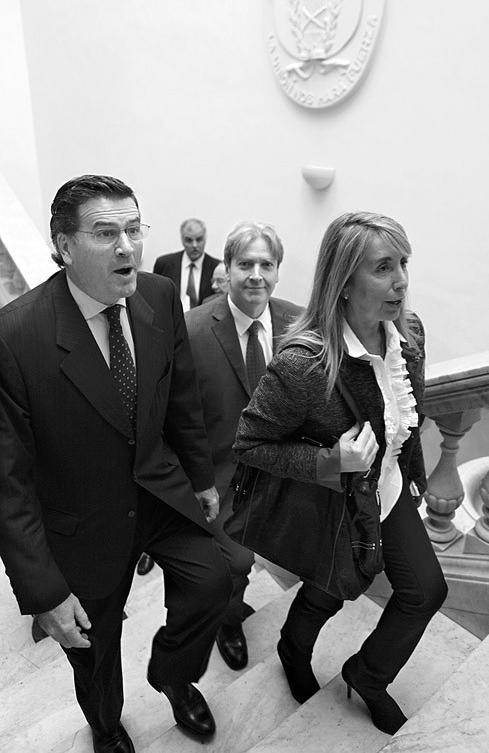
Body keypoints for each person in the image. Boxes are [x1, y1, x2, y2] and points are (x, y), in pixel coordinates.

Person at [0, 175, 232, 753]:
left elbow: (180, 398)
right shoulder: (16, 337)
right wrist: (43, 591)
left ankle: (173, 676)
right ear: (65, 245)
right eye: (107, 233)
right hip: (83, 522)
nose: (127, 246)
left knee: (214, 579)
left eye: (133, 229)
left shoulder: (156, 296)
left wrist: (201, 479)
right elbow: (8, 483)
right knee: (94, 649)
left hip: (158, 492)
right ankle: (106, 727)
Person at [233, 211, 447, 736]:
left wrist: (412, 473)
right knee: (332, 588)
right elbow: (250, 442)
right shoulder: (305, 364)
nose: (400, 280)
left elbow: (408, 412)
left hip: (387, 491)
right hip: (335, 501)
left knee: (424, 591)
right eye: (382, 268)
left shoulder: (409, 334)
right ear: (344, 281)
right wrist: (332, 462)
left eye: (403, 263)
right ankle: (292, 648)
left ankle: (367, 676)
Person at [185, 222, 301, 671]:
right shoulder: (193, 330)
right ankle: (226, 620)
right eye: (245, 264)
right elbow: (179, 418)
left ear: (277, 272)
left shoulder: (298, 323)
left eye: (266, 265)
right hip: (220, 477)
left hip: (283, 472)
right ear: (227, 268)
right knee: (234, 563)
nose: (256, 275)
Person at [153, 218, 220, 310]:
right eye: (189, 240)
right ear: (182, 240)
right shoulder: (164, 264)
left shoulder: (217, 267)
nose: (194, 245)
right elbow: (155, 298)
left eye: (199, 239)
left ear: (205, 238)